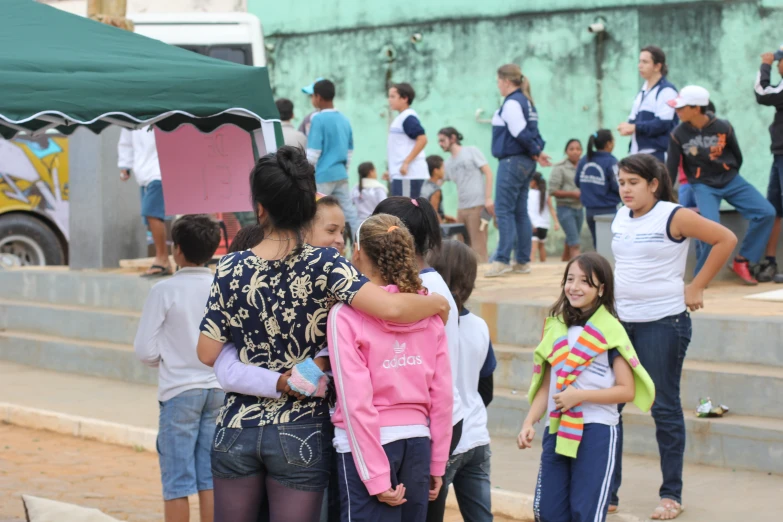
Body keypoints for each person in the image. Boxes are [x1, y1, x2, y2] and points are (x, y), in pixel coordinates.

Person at [195, 146, 449, 522]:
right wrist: (438, 304)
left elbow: (206, 352)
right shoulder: (325, 264)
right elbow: (392, 308)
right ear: (305, 206)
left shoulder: (231, 265)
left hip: (236, 426)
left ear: (260, 208)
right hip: (301, 431)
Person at [609, 154, 737, 520]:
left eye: (633, 182)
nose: (626, 189)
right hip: (622, 325)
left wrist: (697, 285)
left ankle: (671, 495)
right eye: (621, 182)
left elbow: (725, 239)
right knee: (609, 407)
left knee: (664, 407)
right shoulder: (621, 217)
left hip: (663, 323)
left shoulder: (672, 215)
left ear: (653, 184)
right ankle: (608, 490)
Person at [328, 213, 453, 522]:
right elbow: (443, 396)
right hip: (418, 443)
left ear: (357, 251)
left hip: (367, 451)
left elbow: (355, 401)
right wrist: (438, 463)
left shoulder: (344, 315)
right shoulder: (427, 310)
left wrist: (375, 475)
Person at [518, 252, 656, 522]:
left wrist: (579, 396)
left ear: (601, 289)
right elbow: (547, 387)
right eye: (570, 279)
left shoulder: (610, 331)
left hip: (596, 430)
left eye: (585, 281)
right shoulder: (555, 327)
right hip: (556, 428)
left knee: (586, 513)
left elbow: (626, 390)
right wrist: (529, 422)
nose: (574, 287)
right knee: (547, 511)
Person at [372, 197, 465, 522]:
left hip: (425, 419)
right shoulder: (432, 285)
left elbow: (391, 316)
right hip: (432, 416)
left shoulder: (418, 290)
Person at [133, 214, 225, 522]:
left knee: (177, 482)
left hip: (179, 392)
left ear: (178, 251)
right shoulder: (221, 286)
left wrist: (169, 356)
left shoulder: (163, 290)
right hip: (217, 390)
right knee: (209, 478)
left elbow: (145, 350)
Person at [666, 85, 775, 284]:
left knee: (766, 212)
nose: (677, 111)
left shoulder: (723, 126)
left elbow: (737, 155)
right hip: (703, 185)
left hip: (731, 180)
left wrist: (728, 171)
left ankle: (742, 260)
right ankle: (699, 280)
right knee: (710, 229)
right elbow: (670, 168)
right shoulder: (678, 134)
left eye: (681, 108)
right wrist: (663, 197)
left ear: (696, 108)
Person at [427, 240, 495, 522]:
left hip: (444, 439)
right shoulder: (479, 325)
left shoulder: (429, 323)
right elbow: (486, 388)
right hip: (477, 436)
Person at [487, 63, 551, 278]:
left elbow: (520, 132)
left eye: (498, 82)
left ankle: (502, 259)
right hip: (525, 162)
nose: (497, 86)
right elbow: (534, 133)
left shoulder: (512, 103)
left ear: (506, 81)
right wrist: (537, 152)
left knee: (504, 210)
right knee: (520, 211)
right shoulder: (528, 103)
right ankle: (522, 260)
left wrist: (536, 151)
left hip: (511, 162)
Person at [306, 79, 361, 235]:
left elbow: (313, 152)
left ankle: (318, 246)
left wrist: (305, 175)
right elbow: (350, 151)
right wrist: (344, 169)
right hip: (341, 173)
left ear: (318, 97)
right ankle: (359, 243)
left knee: (317, 212)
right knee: (348, 211)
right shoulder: (344, 119)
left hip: (323, 175)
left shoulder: (317, 119)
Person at [118, 127, 170, 277]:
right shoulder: (131, 114)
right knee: (150, 218)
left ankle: (162, 259)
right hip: (143, 172)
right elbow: (126, 141)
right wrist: (125, 166)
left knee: (151, 213)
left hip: (160, 170)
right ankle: (163, 258)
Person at [437, 127, 494, 262]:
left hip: (478, 205)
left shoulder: (471, 151)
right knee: (462, 247)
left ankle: (482, 277)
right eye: (439, 141)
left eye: (442, 140)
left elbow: (488, 172)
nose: (440, 144)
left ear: (453, 138)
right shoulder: (448, 163)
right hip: (461, 208)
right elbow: (437, 181)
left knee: (478, 246)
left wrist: (488, 198)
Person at [618, 45, 678, 162]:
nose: (640, 66)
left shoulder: (667, 91)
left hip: (657, 154)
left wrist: (635, 127)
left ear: (657, 66)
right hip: (637, 153)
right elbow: (633, 119)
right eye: (639, 61)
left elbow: (662, 124)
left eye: (645, 62)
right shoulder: (642, 91)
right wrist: (626, 127)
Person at [755, 47, 783, 282]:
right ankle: (771, 262)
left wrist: (765, 64)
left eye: (779, 61)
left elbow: (762, 92)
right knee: (774, 209)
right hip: (779, 155)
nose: (777, 64)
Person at [575, 130, 621, 249]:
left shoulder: (585, 159)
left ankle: (601, 267)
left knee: (598, 244)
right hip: (608, 210)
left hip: (589, 211)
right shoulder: (611, 161)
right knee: (611, 245)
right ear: (609, 144)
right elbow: (618, 185)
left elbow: (577, 181)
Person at [387, 83, 429, 198]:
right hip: (401, 175)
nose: (389, 100)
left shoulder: (408, 117)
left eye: (393, 96)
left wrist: (406, 162)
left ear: (405, 98)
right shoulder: (401, 117)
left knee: (406, 212)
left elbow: (422, 139)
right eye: (389, 96)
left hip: (409, 175)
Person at [549, 139, 584, 260]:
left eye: (578, 149)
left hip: (579, 208)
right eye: (571, 149)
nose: (575, 152)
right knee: (575, 242)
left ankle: (564, 265)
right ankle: (579, 270)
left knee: (570, 240)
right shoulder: (560, 168)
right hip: (565, 208)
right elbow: (552, 190)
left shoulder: (584, 165)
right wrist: (573, 194)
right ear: (566, 151)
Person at [527, 172, 559, 262]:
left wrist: (530, 223)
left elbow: (528, 210)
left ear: (534, 182)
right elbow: (552, 209)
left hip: (534, 225)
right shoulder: (546, 194)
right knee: (541, 247)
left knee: (532, 249)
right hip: (544, 225)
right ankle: (543, 265)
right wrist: (556, 222)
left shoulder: (529, 193)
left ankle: (532, 267)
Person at [421, 155, 455, 223]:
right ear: (436, 171)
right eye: (443, 168)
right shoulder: (436, 190)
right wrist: (441, 229)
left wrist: (444, 216)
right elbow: (434, 212)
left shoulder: (424, 184)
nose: (444, 171)